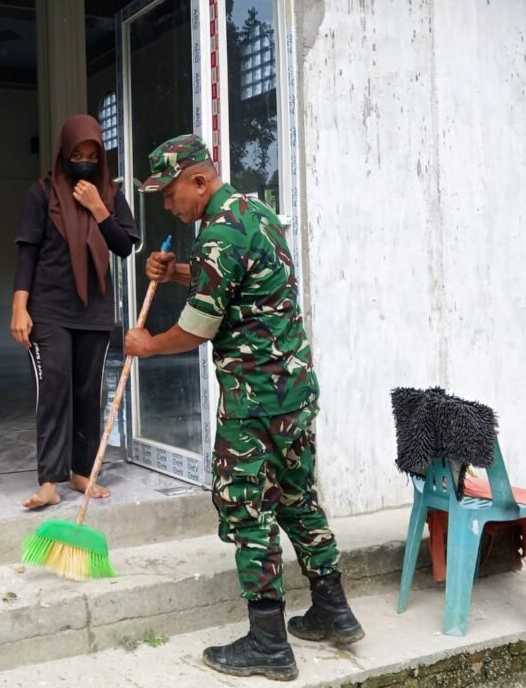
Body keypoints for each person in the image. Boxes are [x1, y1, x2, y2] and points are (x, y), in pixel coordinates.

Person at [123, 134, 363, 681]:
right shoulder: (253, 211)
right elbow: (242, 281)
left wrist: (147, 345)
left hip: (255, 403)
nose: (168, 205)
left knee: (247, 511)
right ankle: (334, 611)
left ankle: (268, 644)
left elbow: (196, 329)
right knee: (300, 499)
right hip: (295, 394)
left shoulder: (217, 235)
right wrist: (176, 272)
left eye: (170, 194)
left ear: (200, 181)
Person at [11, 115, 139, 510]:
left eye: (91, 155)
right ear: (64, 154)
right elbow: (27, 252)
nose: (83, 161)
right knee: (54, 388)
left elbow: (124, 246)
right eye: (76, 154)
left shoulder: (111, 195)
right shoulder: (41, 194)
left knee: (90, 391)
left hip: (94, 311)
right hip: (48, 309)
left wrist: (99, 208)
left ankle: (81, 472)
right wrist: (19, 307)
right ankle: (50, 479)